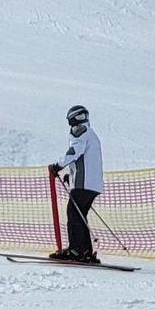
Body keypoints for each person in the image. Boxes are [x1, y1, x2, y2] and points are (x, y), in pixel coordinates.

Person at [47, 103, 105, 263]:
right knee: (79, 215)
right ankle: (85, 251)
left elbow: (74, 152)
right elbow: (85, 160)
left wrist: (58, 166)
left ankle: (76, 250)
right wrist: (71, 176)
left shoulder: (80, 131)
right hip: (92, 184)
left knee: (73, 214)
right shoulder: (90, 134)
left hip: (83, 184)